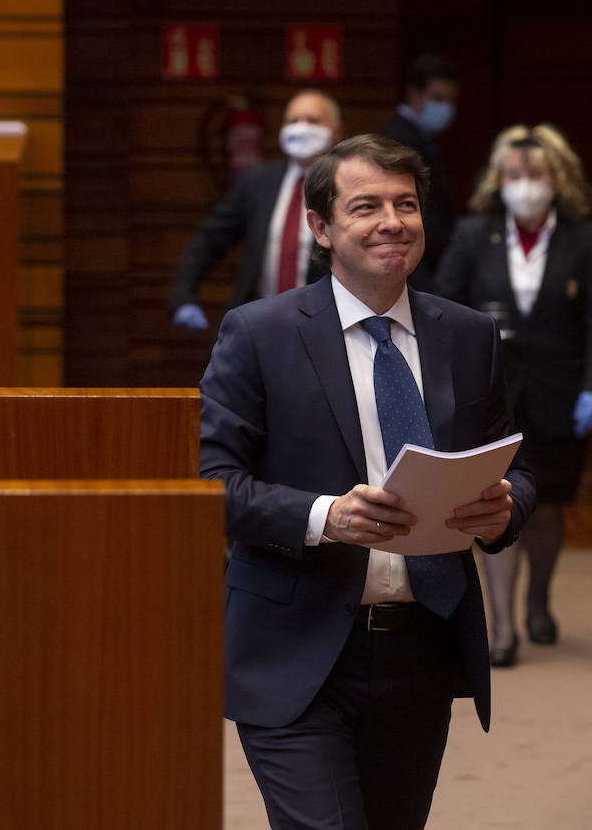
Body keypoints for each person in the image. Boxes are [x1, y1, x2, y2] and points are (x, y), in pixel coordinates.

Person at [200, 133, 536, 828]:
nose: (392, 221)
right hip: (295, 646)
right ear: (321, 228)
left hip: (422, 647)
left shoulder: (469, 336)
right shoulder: (258, 333)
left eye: (405, 203)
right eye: (366, 206)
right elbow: (212, 483)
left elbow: (519, 464)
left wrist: (507, 510)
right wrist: (326, 516)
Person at [434, 123, 592, 665]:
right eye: (513, 175)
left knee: (550, 505)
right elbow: (445, 305)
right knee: (494, 501)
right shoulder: (475, 234)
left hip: (563, 394)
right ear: (498, 181)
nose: (524, 185)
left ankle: (539, 604)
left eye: (535, 174)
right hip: (491, 396)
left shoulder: (586, 239)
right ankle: (504, 626)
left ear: (557, 180)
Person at [170, 89, 343, 330]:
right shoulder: (258, 181)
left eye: (312, 121)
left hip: (325, 327)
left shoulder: (347, 187)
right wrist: (183, 297)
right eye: (292, 121)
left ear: (335, 131)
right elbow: (209, 239)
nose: (301, 128)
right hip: (259, 325)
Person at [379, 53, 458, 291]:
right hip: (415, 263)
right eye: (437, 98)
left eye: (450, 100)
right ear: (414, 94)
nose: (445, 107)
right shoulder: (399, 140)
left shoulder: (422, 137)